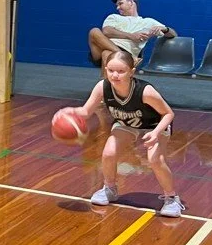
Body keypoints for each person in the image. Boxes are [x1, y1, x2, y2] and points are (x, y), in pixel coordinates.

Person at [73, 49, 184, 217]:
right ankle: (109, 189)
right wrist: (67, 113)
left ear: (131, 72)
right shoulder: (102, 87)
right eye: (110, 70)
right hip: (126, 124)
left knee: (154, 159)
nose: (115, 75)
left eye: (120, 71)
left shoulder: (145, 91)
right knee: (109, 153)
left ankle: (172, 198)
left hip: (154, 125)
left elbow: (168, 114)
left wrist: (155, 134)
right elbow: (86, 111)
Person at [87, 0, 175, 67]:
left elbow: (173, 34)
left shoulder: (148, 21)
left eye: (120, 4)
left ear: (131, 2)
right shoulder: (113, 17)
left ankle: (106, 86)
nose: (117, 8)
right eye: (116, 5)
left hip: (127, 52)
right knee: (94, 31)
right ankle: (124, 56)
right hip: (104, 48)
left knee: (108, 54)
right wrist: (131, 36)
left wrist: (165, 29)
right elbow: (107, 31)